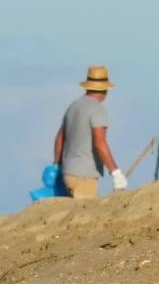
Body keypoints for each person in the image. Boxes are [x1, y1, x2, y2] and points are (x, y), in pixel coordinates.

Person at [53, 66, 127, 199]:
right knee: (84, 216)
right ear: (105, 89)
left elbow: (60, 138)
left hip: (67, 173)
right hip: (85, 175)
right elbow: (100, 143)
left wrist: (56, 164)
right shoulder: (98, 109)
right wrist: (115, 172)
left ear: (87, 87)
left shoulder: (74, 106)